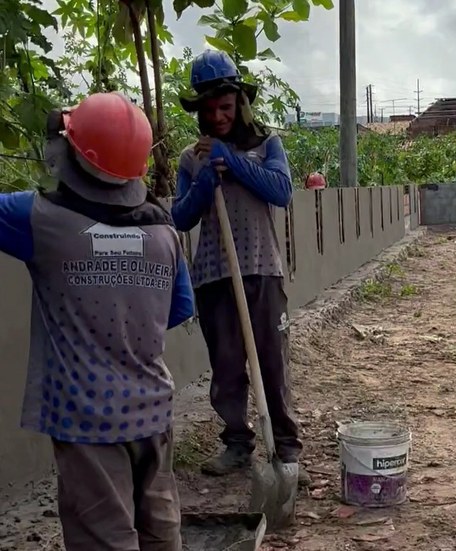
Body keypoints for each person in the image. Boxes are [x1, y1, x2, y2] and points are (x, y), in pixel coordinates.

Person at [0, 91, 195, 549]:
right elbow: (177, 311)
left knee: (103, 538)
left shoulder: (40, 220)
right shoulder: (163, 232)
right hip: (152, 409)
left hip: (86, 419)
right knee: (160, 530)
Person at [171, 50, 305, 482]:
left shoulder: (267, 145)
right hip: (213, 276)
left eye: (225, 108)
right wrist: (206, 179)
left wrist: (234, 160)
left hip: (261, 271)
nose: (217, 116)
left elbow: (282, 191)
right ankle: (236, 443)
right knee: (227, 365)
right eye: (209, 110)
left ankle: (285, 450)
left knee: (272, 363)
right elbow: (179, 218)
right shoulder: (191, 159)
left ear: (240, 104)